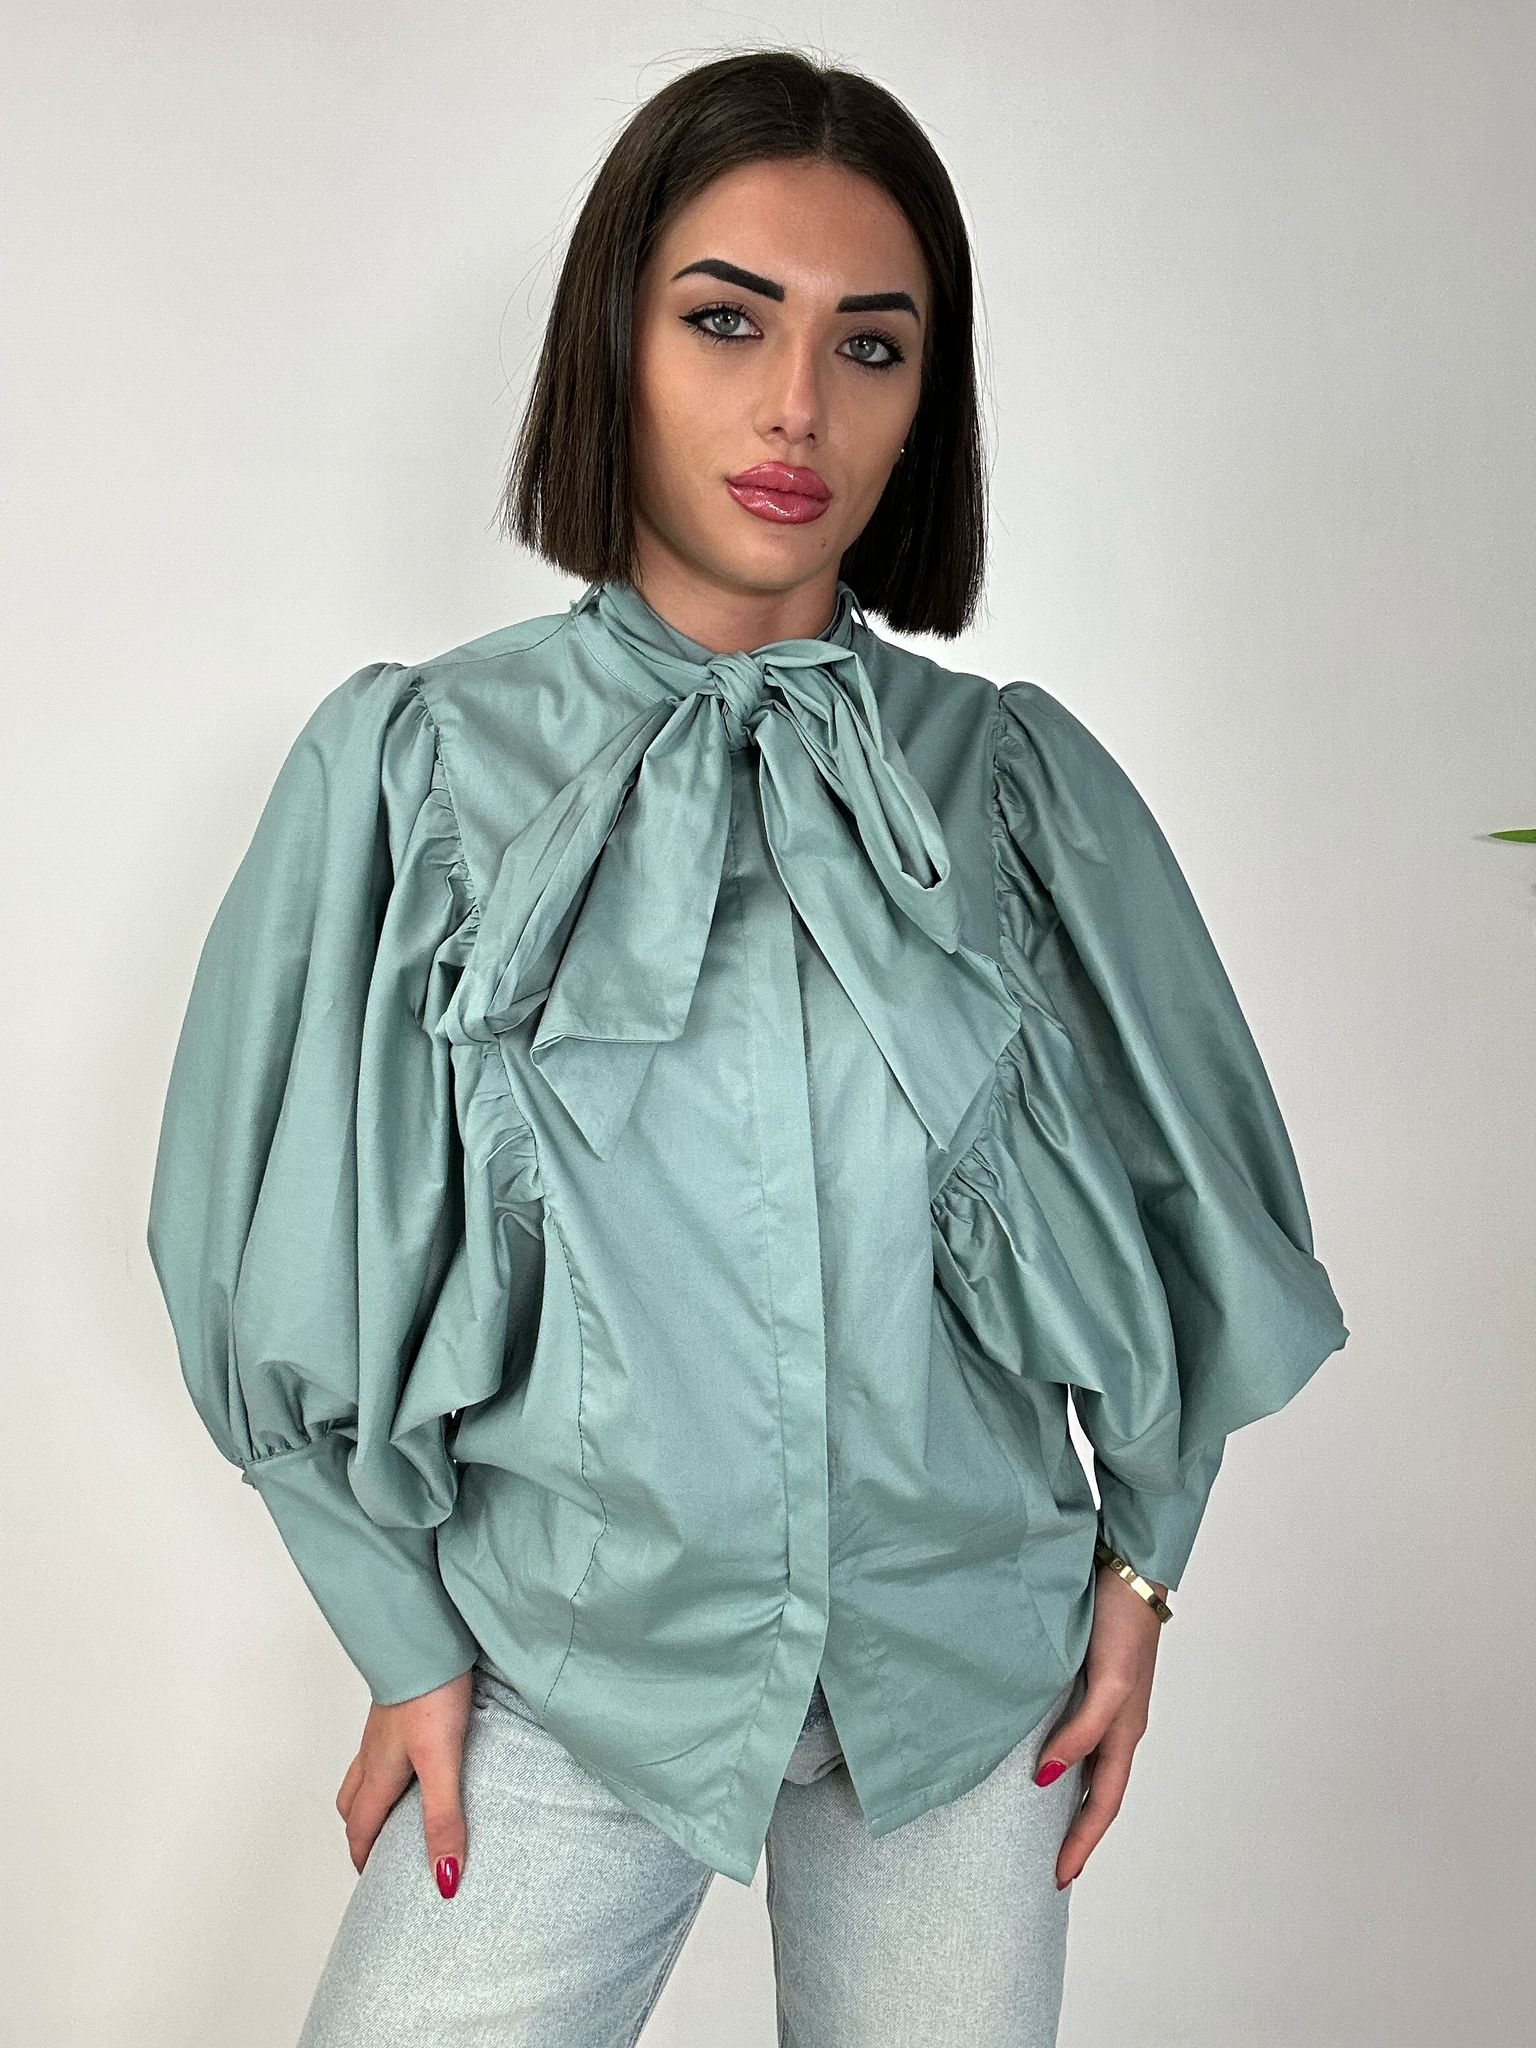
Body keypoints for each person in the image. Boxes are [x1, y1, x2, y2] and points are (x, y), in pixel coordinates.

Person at [145, 46, 1349, 2048]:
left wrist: (1144, 1577)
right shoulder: (421, 773)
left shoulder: (1010, 789)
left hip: (966, 1683)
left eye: (870, 345)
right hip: (567, 1669)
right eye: (727, 321)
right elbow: (253, 1239)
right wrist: (401, 1638)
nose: (799, 405)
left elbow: (1188, 1205)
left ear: (925, 400)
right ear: (614, 342)